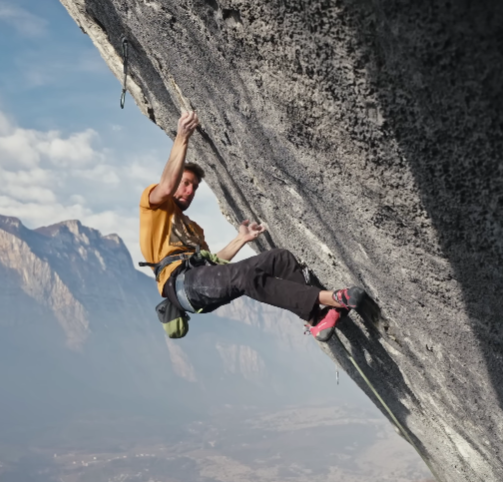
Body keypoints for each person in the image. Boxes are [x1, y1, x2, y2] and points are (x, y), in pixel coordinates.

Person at [138, 110, 365, 341]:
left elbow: (215, 263)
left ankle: (317, 320)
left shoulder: (194, 229)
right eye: (185, 183)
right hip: (181, 287)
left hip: (200, 280)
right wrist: (182, 137)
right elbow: (166, 187)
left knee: (280, 258)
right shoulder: (154, 207)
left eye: (194, 187)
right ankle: (331, 299)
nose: (189, 191)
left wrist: (241, 239)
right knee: (244, 278)